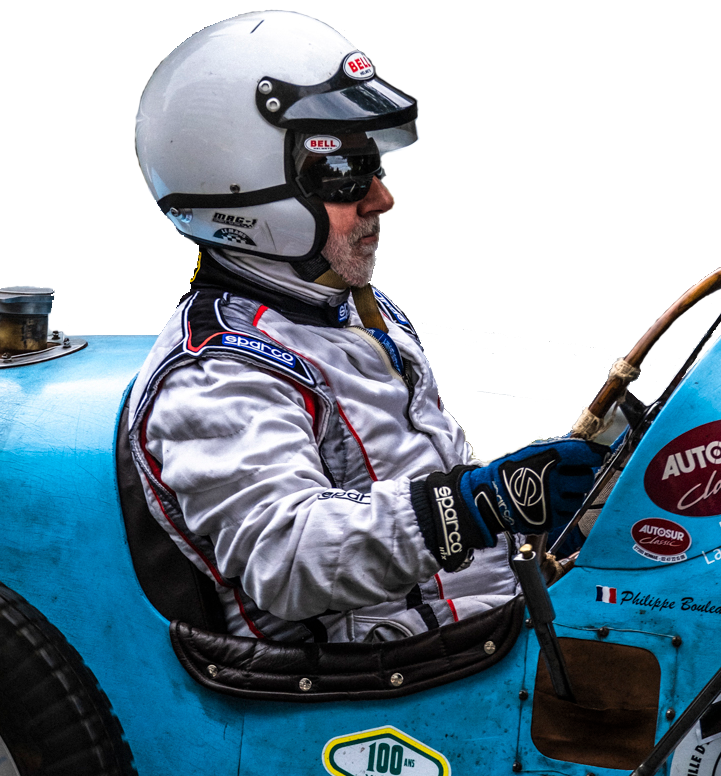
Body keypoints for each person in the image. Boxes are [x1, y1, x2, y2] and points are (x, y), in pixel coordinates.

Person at [129, 11, 618, 643]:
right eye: (347, 174)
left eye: (375, 168)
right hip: (384, 679)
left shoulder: (356, 309)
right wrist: (480, 503)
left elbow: (436, 475)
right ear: (245, 185)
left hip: (486, 620)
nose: (383, 198)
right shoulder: (218, 369)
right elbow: (288, 557)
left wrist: (545, 505)